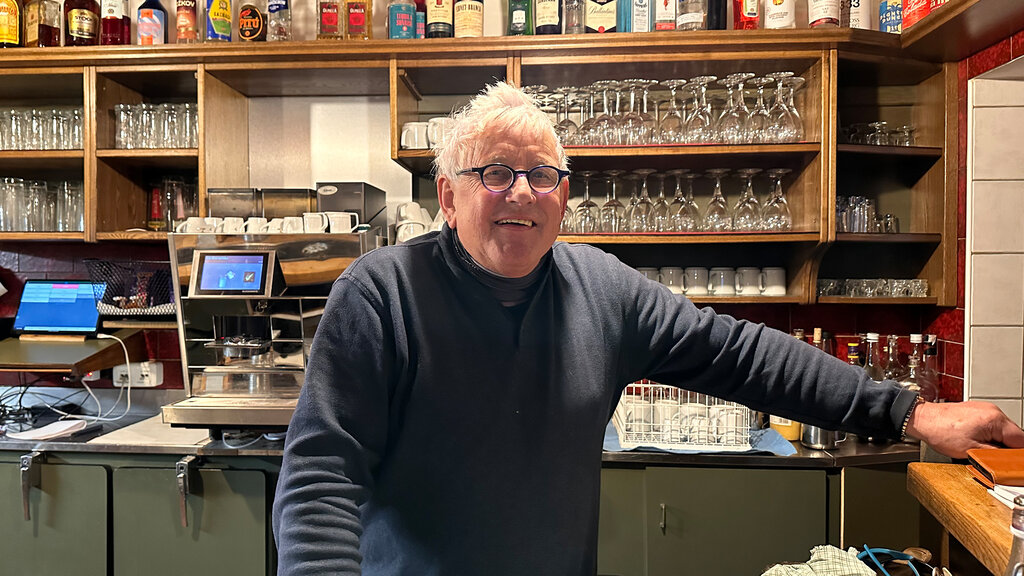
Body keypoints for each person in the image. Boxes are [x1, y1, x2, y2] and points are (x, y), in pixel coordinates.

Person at [272, 82, 1024, 575]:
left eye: (542, 175)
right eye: (494, 173)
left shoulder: (602, 289)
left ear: (564, 198)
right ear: (448, 193)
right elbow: (318, 480)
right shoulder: (381, 294)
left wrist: (912, 411)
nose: (521, 193)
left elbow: (744, 356)